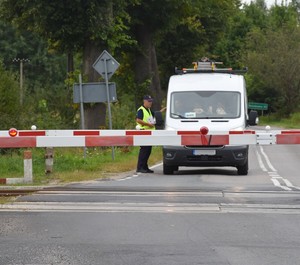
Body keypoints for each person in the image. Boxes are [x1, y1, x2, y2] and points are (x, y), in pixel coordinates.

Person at [136, 95, 165, 173]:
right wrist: (148, 125)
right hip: (143, 132)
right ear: (144, 101)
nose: (150, 103)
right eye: (149, 101)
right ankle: (140, 167)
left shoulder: (148, 110)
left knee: (148, 150)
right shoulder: (141, 110)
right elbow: (138, 120)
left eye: (151, 101)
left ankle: (145, 167)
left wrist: (163, 110)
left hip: (149, 133)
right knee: (144, 150)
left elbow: (156, 114)